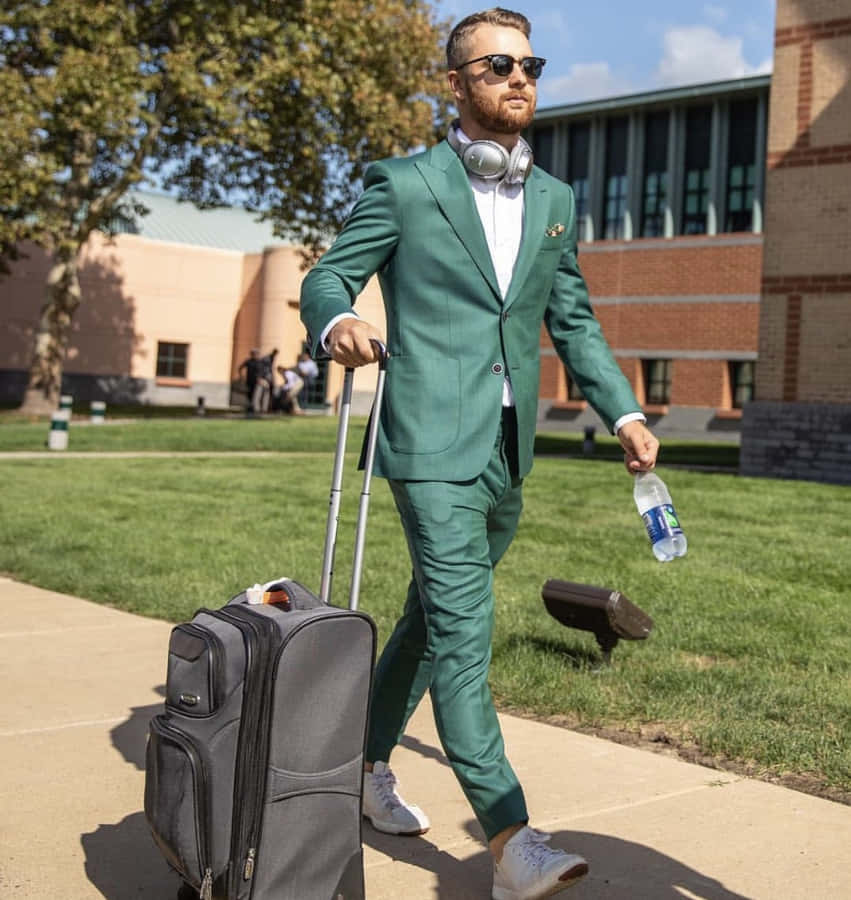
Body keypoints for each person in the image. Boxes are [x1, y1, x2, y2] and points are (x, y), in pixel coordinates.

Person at [300, 8, 659, 899]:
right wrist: (338, 318)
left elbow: (570, 318)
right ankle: (511, 842)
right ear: (454, 84)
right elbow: (327, 274)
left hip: (507, 450)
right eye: (496, 64)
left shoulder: (552, 201)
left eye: (529, 63)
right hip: (426, 440)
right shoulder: (405, 183)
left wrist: (622, 413)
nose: (519, 77)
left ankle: (364, 765)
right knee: (465, 633)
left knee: (428, 619)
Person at [237, 348, 263, 414]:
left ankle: (254, 408)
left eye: (256, 354)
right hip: (249, 381)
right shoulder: (248, 361)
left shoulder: (259, 362)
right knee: (249, 394)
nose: (255, 355)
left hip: (256, 382)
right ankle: (250, 408)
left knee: (255, 395)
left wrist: (260, 378)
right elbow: (240, 368)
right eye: (254, 354)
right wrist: (241, 376)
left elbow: (261, 371)